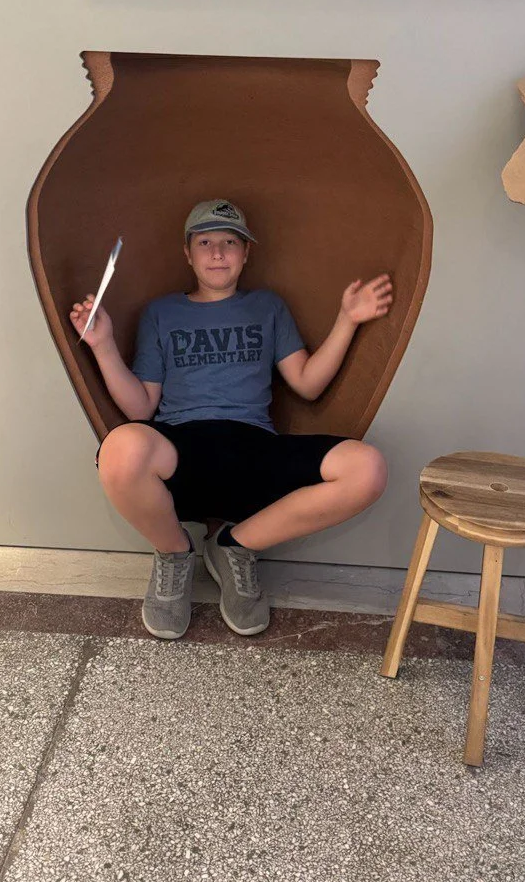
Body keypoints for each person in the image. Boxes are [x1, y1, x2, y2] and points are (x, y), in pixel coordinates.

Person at [69, 199, 392, 642]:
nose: (217, 253)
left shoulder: (267, 307)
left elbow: (307, 383)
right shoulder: (162, 313)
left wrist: (347, 320)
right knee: (120, 448)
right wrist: (102, 344)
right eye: (205, 242)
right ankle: (174, 554)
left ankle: (235, 547)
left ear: (246, 254)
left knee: (367, 467)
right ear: (188, 253)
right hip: (181, 450)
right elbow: (141, 408)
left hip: (254, 451)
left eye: (229, 242)